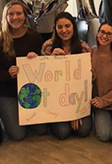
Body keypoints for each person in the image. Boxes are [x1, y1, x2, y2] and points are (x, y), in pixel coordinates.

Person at [0, 0, 47, 141]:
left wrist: (37, 59)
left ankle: (21, 117)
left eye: (19, 13)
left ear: (25, 15)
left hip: (30, 91)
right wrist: (7, 74)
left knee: (41, 130)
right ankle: (9, 116)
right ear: (6, 17)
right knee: (18, 135)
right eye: (11, 14)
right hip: (6, 93)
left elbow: (44, 66)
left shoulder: (35, 36)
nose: (15, 17)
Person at [41, 12, 92, 140]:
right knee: (62, 133)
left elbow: (86, 82)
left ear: (73, 27)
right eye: (60, 27)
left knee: (83, 131)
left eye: (67, 26)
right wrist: (51, 59)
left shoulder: (83, 48)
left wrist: (76, 112)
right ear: (55, 29)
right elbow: (43, 78)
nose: (64, 30)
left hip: (78, 98)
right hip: (56, 99)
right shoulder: (48, 46)